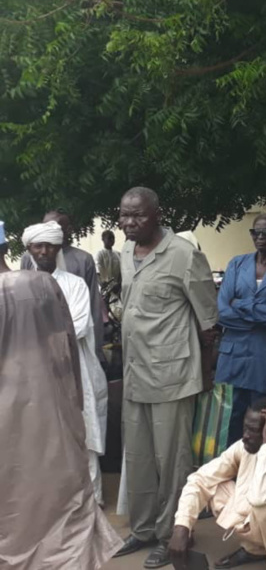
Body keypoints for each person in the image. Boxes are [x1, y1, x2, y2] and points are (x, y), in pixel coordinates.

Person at [114, 187, 219, 568]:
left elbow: (209, 326)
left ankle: (171, 534)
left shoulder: (184, 255)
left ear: (157, 214)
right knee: (138, 458)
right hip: (135, 373)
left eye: (137, 215)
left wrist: (205, 376)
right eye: (124, 215)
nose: (128, 223)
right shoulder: (126, 251)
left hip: (172, 377)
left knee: (173, 462)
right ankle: (142, 529)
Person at [0, 269, 123, 567]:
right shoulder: (43, 283)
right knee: (61, 492)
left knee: (14, 496)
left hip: (9, 409)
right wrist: (76, 402)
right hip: (54, 400)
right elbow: (68, 344)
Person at [23, 220, 109, 505]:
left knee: (84, 433)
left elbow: (78, 327)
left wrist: (36, 337)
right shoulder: (22, 285)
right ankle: (55, 503)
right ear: (29, 249)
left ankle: (93, 500)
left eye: (49, 246)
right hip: (36, 375)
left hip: (75, 370)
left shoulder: (75, 284)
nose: (44, 251)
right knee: (45, 437)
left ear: (58, 247)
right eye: (38, 246)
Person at [169, 398, 266, 570]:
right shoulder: (243, 446)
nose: (245, 436)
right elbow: (199, 480)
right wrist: (182, 527)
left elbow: (260, 498)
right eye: (245, 428)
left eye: (254, 431)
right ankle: (255, 549)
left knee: (263, 504)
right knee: (214, 485)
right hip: (259, 520)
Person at [217, 213, 266, 443]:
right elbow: (222, 312)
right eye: (255, 232)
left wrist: (240, 304)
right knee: (228, 429)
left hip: (265, 363)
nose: (260, 237)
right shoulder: (237, 264)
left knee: (264, 430)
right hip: (233, 361)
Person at [21, 209, 104, 356]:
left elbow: (93, 305)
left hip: (74, 340)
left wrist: (97, 347)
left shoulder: (83, 260)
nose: (44, 251)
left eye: (55, 226)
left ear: (68, 229)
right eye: (46, 225)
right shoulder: (28, 259)